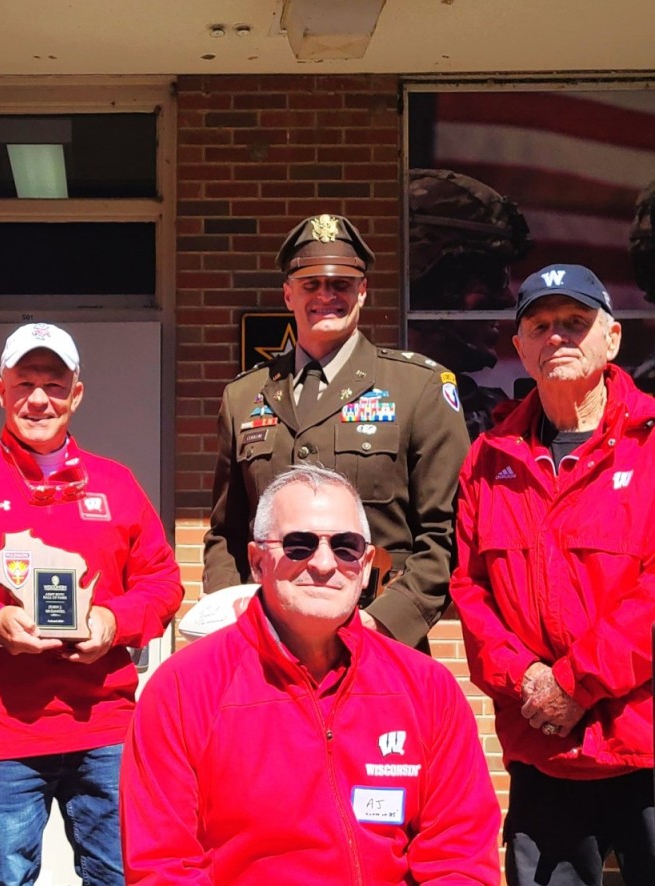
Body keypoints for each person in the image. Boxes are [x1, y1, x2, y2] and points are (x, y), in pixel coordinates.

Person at [0, 322, 183, 886]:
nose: (38, 400)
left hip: (105, 727)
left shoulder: (116, 483)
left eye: (54, 385)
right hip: (0, 731)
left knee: (122, 876)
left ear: (76, 394)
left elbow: (163, 582)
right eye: (24, 382)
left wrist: (113, 621)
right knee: (5, 879)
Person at [122, 464, 500, 884]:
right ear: (257, 561)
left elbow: (459, 859)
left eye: (346, 547)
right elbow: (163, 867)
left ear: (367, 563)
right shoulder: (182, 690)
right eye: (298, 545)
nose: (324, 564)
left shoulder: (427, 689)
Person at [450, 264, 655, 886]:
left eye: (575, 322)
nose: (557, 337)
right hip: (544, 751)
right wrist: (530, 682)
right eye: (539, 326)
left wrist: (575, 684)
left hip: (645, 746)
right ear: (519, 349)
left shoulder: (650, 444)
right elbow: (470, 589)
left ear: (612, 338)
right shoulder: (489, 460)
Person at [203, 213, 470, 648]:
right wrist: (231, 613)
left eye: (340, 284)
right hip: (266, 645)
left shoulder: (417, 388)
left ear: (362, 291)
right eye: (311, 285)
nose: (326, 296)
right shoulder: (243, 396)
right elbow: (227, 534)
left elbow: (448, 533)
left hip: (379, 639)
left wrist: (384, 624)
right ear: (288, 294)